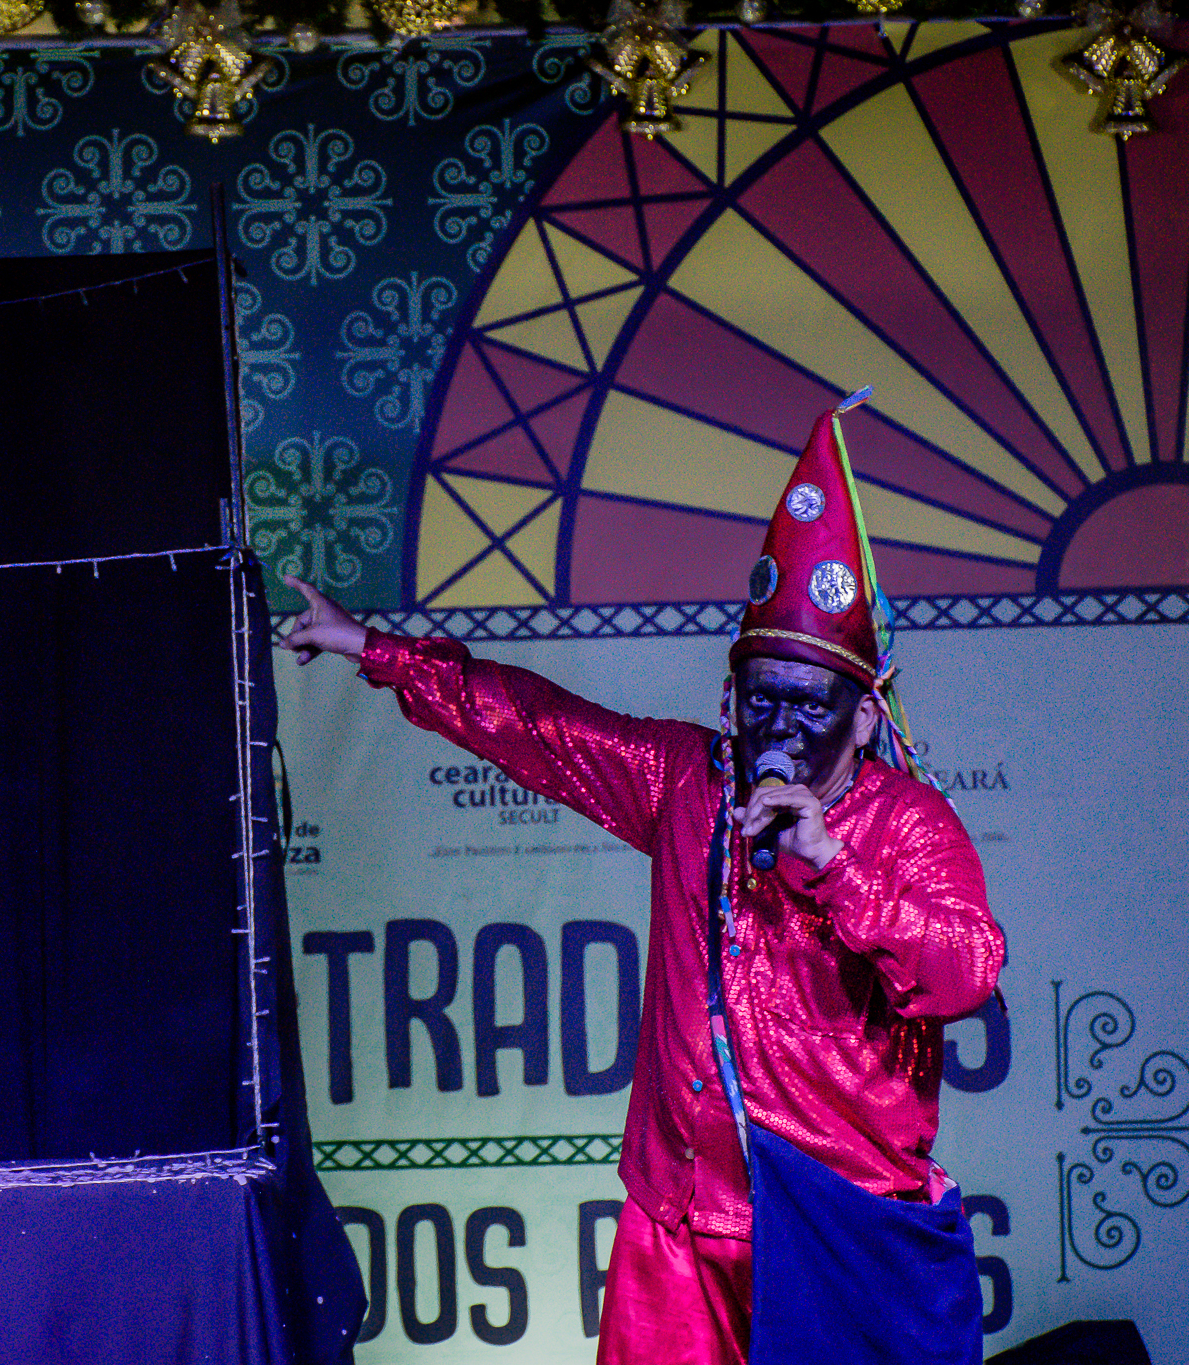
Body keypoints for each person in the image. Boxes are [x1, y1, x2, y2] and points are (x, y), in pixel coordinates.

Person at [282, 399, 1004, 1365]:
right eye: (762, 699)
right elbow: (538, 725)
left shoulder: (906, 822)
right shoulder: (687, 780)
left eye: (809, 706)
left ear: (865, 718)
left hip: (834, 1227)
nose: (780, 727)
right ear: (732, 697)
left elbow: (965, 972)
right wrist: (374, 648)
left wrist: (833, 864)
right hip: (679, 1222)